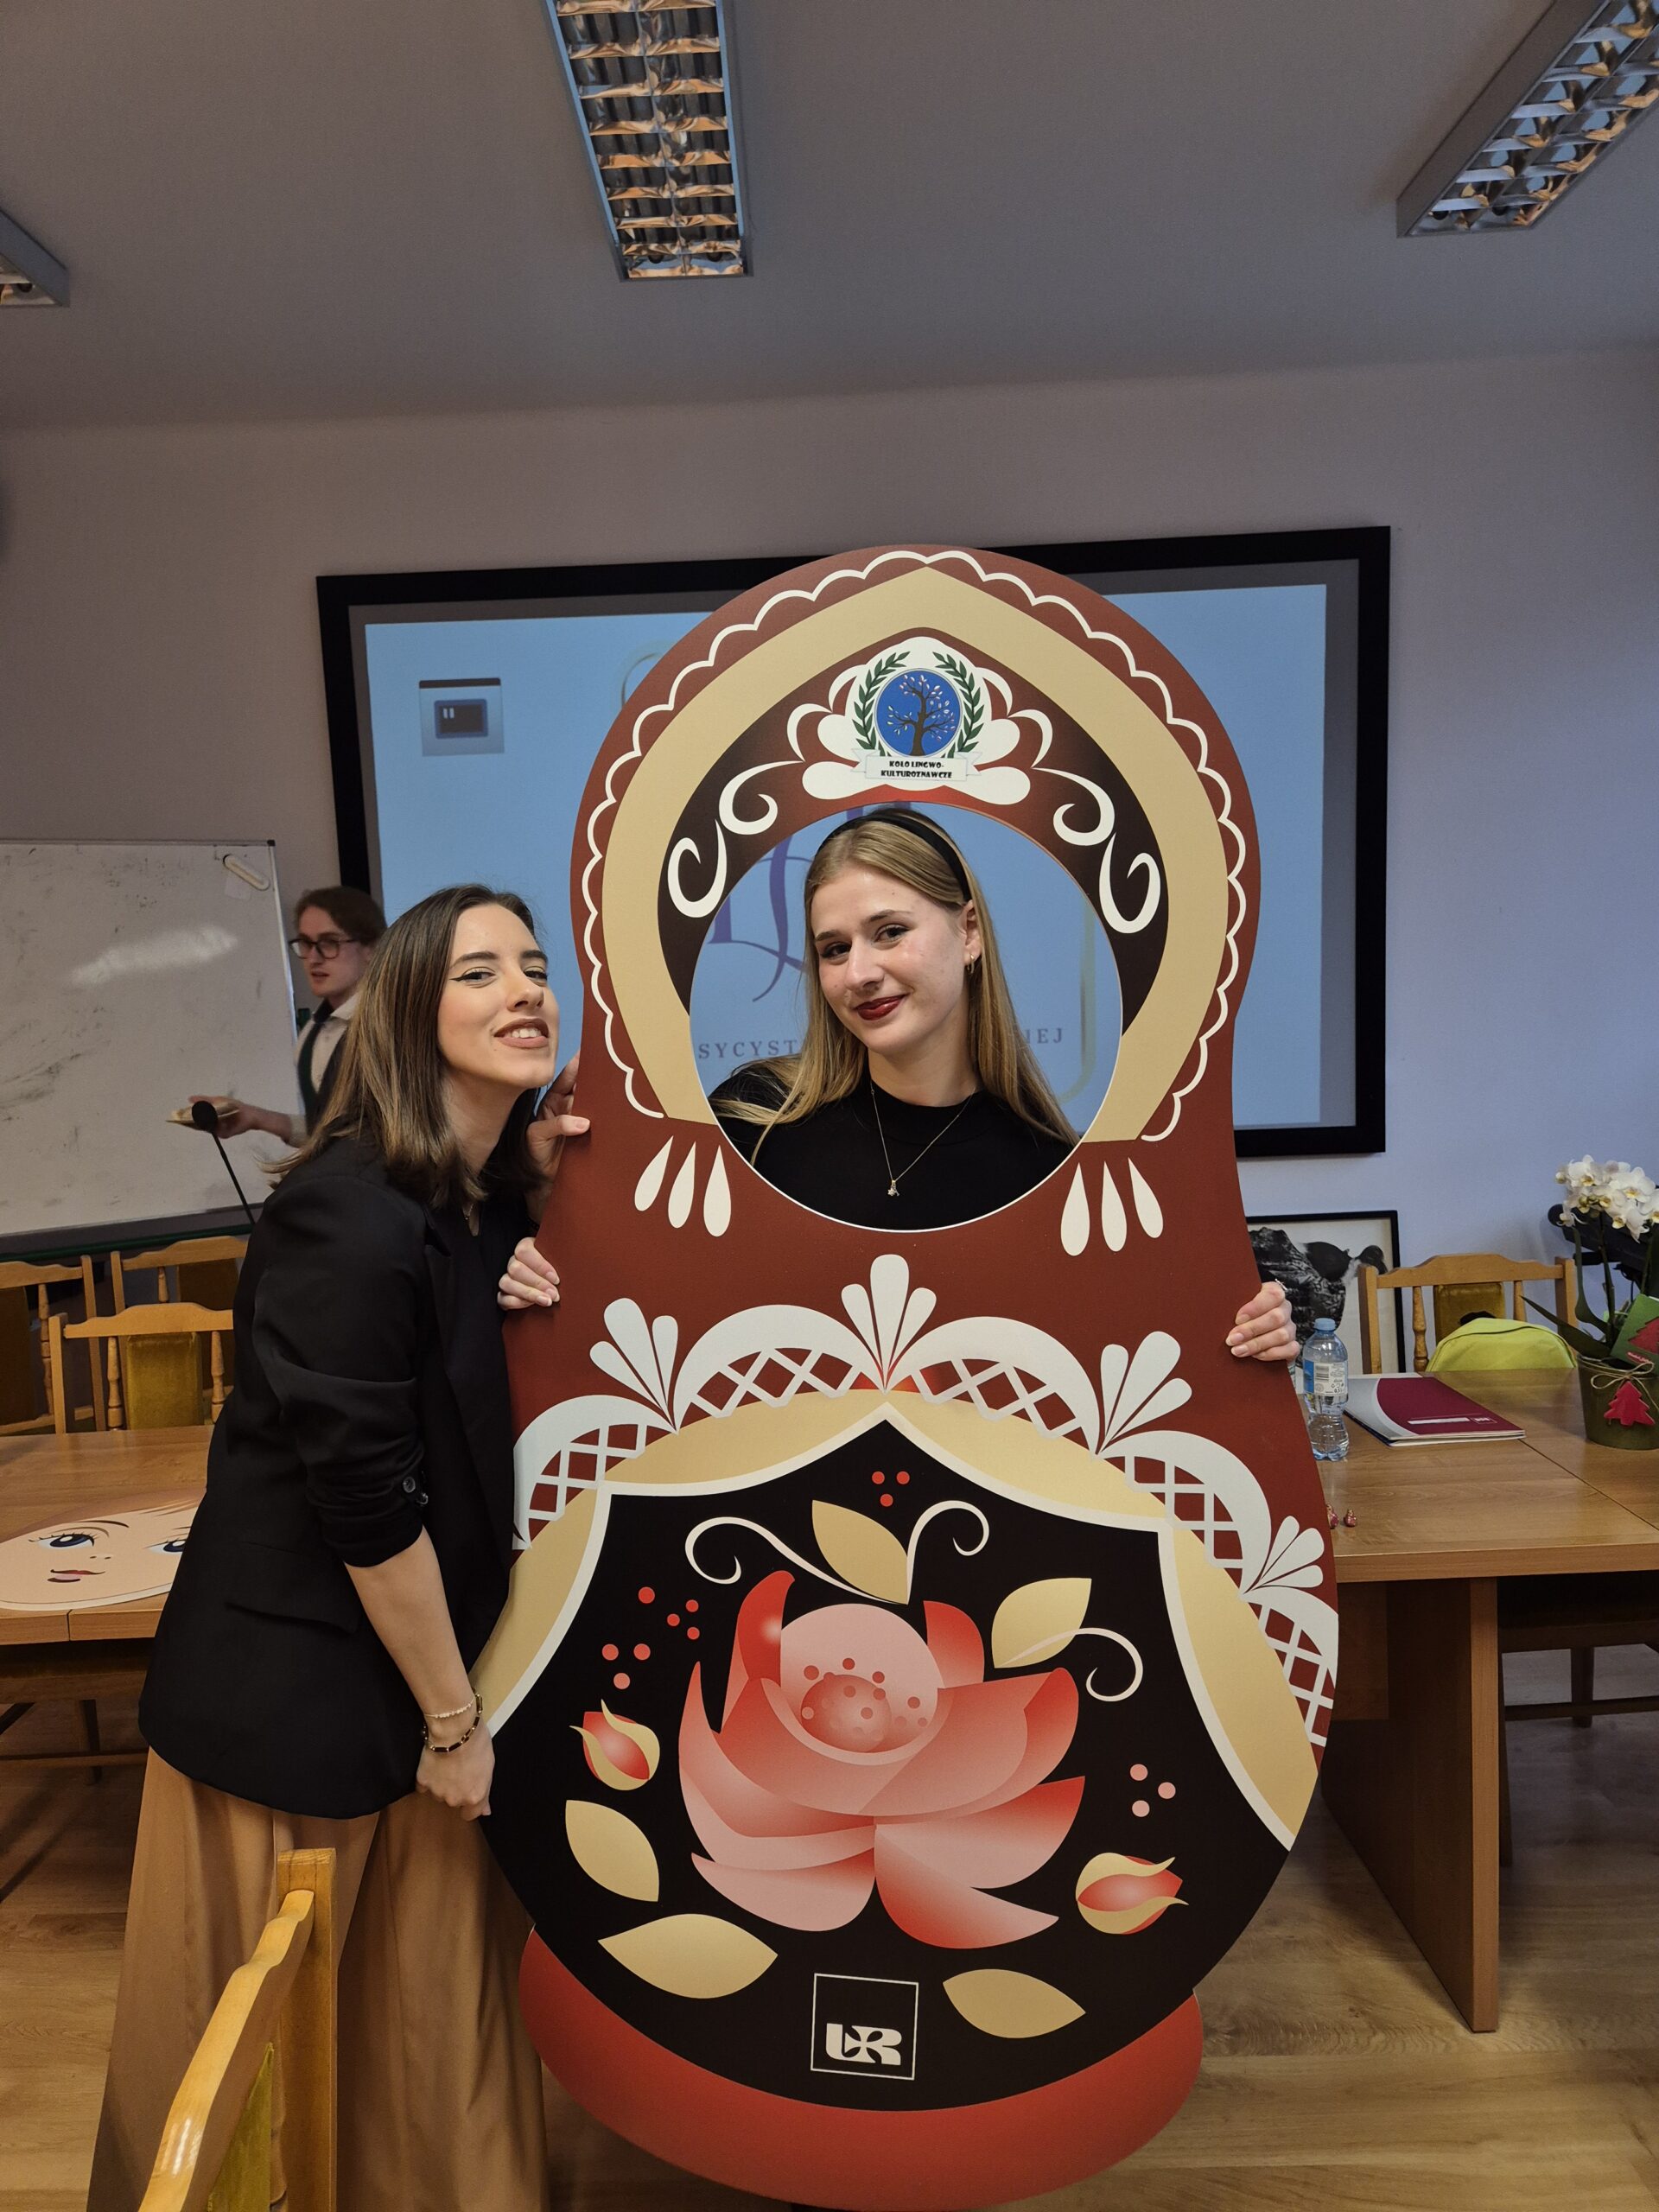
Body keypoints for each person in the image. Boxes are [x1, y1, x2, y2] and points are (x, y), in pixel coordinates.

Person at [89, 884, 587, 2212]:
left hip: (430, 1681)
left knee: (423, 2040)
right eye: (479, 971)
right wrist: (452, 1720)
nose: (524, 989)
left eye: (535, 966)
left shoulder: (485, 1205)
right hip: (299, 1702)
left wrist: (540, 1214)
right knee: (250, 2067)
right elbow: (365, 1499)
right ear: (411, 1015)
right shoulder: (345, 1211)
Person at [501, 810, 1295, 1361]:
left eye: (889, 932)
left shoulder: (1049, 1170)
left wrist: (1247, 1331)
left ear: (969, 932)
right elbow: (644, 1299)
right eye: (834, 949)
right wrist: (547, 1218)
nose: (860, 973)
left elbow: (1122, 1351)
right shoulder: (753, 1119)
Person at [193, 884, 386, 1142]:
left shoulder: (391, 1029)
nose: (314, 958)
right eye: (306, 943)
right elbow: (325, 1135)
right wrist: (255, 1117)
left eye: (330, 943)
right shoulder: (312, 1034)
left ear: (372, 949)